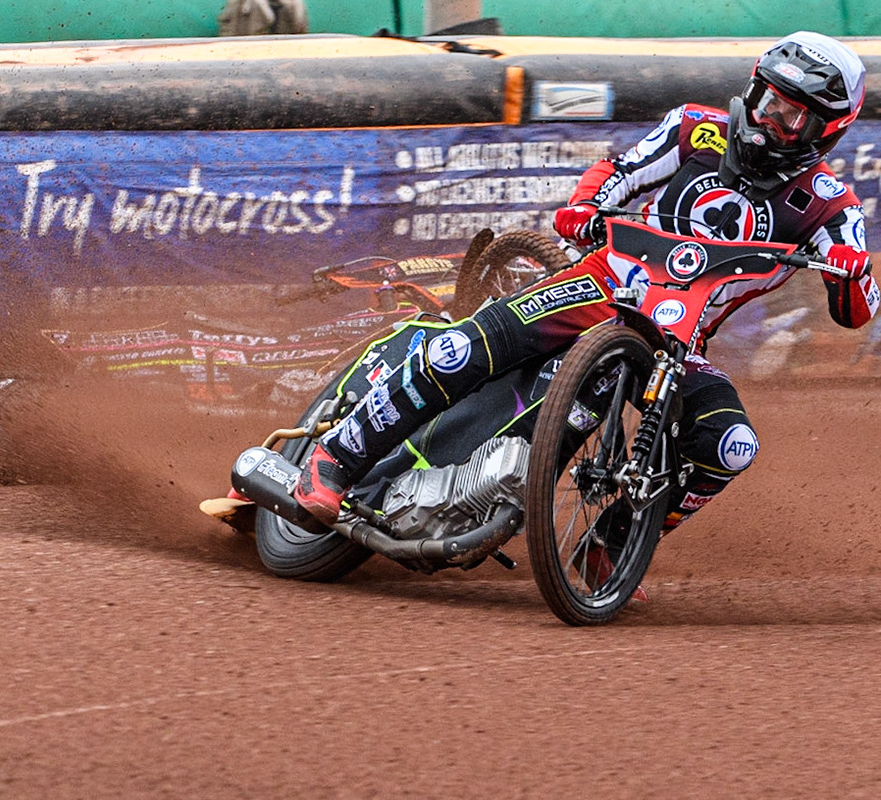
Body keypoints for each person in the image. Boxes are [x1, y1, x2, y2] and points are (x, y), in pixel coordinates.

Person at [295, 31, 878, 564]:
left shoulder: (830, 203)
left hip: (677, 340)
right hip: (602, 282)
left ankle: (612, 545)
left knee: (728, 445)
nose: (767, 116)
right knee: (464, 348)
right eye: (766, 97)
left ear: (825, 129)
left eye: (789, 114)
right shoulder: (697, 128)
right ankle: (336, 460)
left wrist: (854, 273)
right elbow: (618, 170)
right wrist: (584, 206)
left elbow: (858, 310)